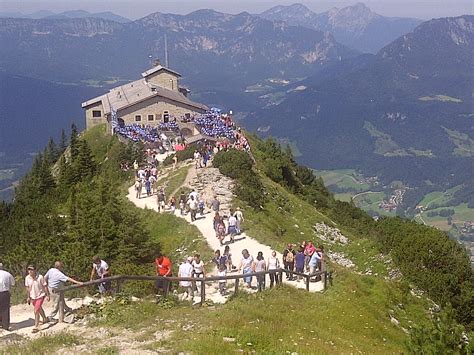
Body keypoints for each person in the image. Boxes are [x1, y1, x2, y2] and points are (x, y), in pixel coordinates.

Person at [25, 265, 49, 333]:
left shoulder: (40, 277)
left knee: (36, 311)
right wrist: (28, 297)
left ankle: (36, 326)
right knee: (39, 308)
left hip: (40, 295)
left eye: (31, 269)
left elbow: (45, 286)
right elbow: (27, 288)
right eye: (29, 269)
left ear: (35, 270)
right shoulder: (27, 278)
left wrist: (47, 295)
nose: (30, 271)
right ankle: (44, 318)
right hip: (33, 296)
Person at [0, 263, 15, 331]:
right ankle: (5, 325)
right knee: (5, 309)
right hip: (5, 292)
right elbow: (13, 283)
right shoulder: (7, 274)